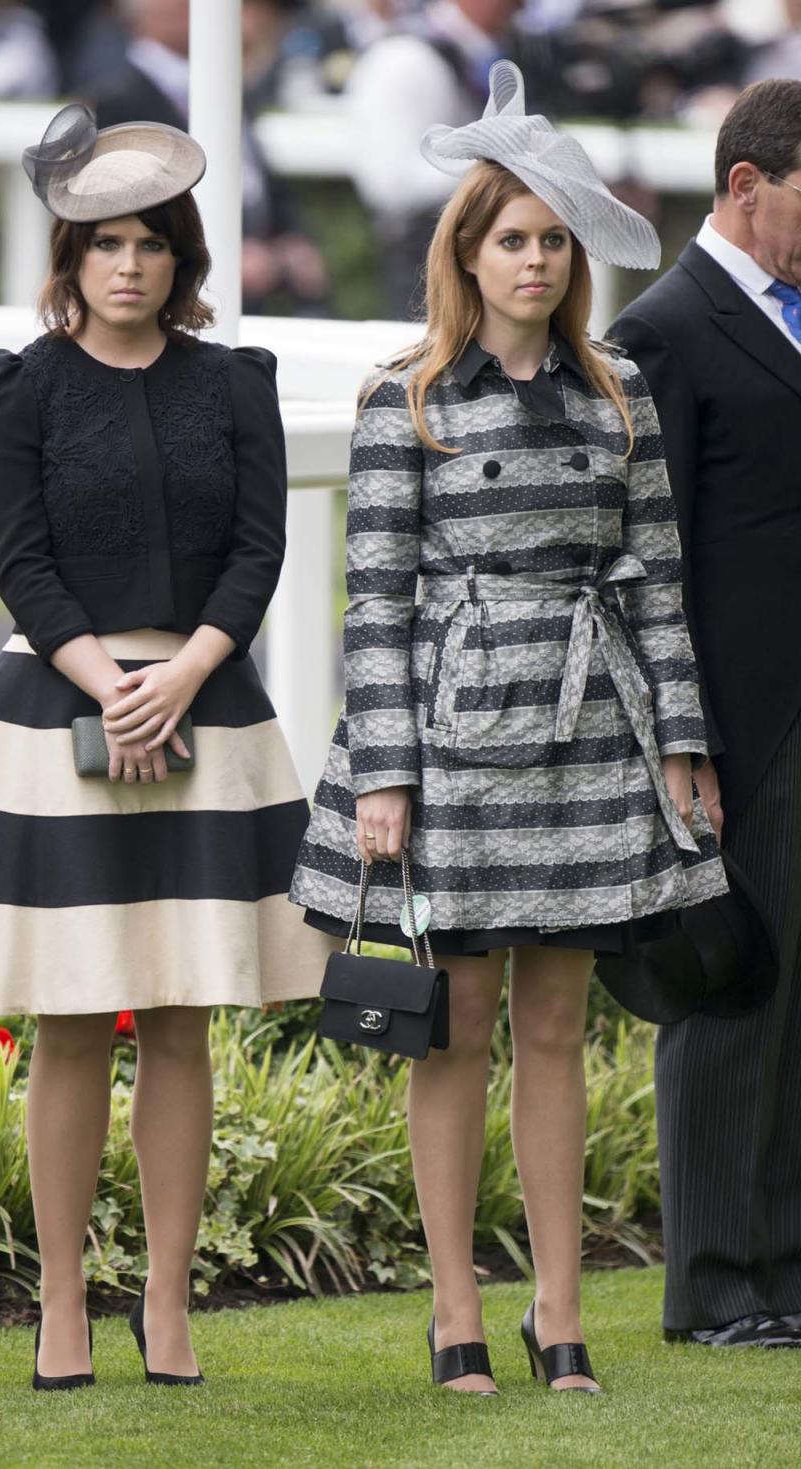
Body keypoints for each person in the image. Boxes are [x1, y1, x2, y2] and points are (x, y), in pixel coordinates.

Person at [290, 59, 727, 1394]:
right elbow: (375, 606)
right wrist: (383, 775)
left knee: (556, 1029)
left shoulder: (620, 399)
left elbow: (656, 581)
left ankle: (559, 1312)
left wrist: (685, 747)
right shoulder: (403, 401)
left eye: (550, 240)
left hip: (594, 735)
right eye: (510, 240)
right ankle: (452, 1312)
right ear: (466, 256)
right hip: (456, 739)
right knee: (456, 1024)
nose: (534, 261)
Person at [0, 102, 330, 1390]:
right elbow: (19, 560)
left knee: (184, 1018)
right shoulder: (16, 388)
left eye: (149, 243)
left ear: (181, 258)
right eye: (103, 244)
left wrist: (181, 674)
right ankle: (65, 1304)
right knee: (75, 1022)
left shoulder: (232, 383)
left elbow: (260, 548)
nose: (127, 264)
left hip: (208, 699)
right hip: (57, 702)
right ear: (68, 258)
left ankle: (171, 1304)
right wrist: (109, 685)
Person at [610, 77, 801, 1348]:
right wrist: (679, 743)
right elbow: (644, 554)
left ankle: (782, 1271)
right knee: (735, 998)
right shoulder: (664, 328)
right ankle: (717, 1286)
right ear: (748, 184)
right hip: (739, 724)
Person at [91, 0, 330, 315]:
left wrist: (293, 239)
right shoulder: (119, 98)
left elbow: (259, 175)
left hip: (269, 275)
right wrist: (219, 254)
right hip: (187, 288)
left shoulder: (223, 81)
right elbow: (134, 206)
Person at [346, 0, 522, 317]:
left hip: (483, 254)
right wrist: (499, 163)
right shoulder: (403, 57)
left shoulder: (485, 52)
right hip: (428, 257)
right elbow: (390, 183)